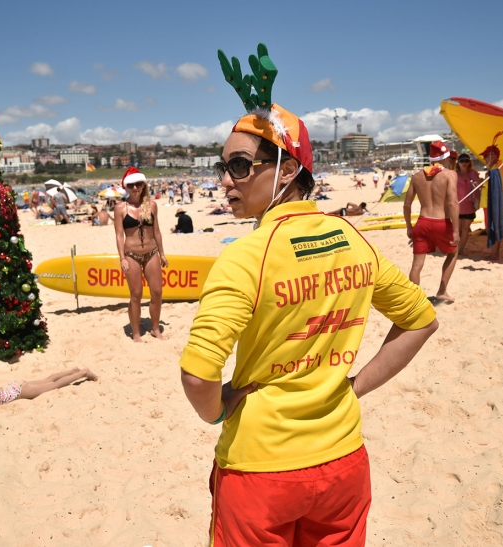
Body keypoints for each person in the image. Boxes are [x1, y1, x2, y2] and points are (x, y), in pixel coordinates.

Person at [180, 44, 438, 546]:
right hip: (342, 461)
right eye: (222, 166)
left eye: (239, 166)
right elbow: (421, 321)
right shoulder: (355, 241)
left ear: (288, 170)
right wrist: (352, 388)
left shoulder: (245, 256)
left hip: (260, 471)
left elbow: (197, 375)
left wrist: (217, 410)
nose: (225, 180)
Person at [114, 167, 168, 342]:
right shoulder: (121, 208)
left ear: (143, 185)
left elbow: (157, 231)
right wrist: (122, 258)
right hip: (132, 255)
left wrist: (162, 253)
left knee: (157, 292)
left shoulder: (151, 205)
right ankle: (136, 333)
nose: (135, 188)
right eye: (131, 185)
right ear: (126, 187)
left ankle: (155, 328)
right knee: (136, 294)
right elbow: (118, 235)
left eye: (138, 184)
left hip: (151, 253)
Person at [0, 364, 98, 422]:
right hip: (13, 386)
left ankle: (82, 373)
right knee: (47, 379)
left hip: (20, 391)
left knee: (53, 385)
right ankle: (72, 370)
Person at [404, 140, 460, 302]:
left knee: (417, 264)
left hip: (422, 222)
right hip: (441, 222)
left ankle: (413, 299)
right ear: (445, 158)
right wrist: (456, 230)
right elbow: (452, 202)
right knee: (453, 252)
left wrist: (409, 226)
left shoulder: (417, 176)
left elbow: (407, 204)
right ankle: (442, 290)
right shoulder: (450, 174)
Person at [479, 134, 503, 260]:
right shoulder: (495, 168)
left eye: (486, 156)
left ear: (493, 156)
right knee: (490, 228)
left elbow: (493, 186)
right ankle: (493, 252)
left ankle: (495, 254)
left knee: (494, 227)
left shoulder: (498, 169)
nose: (485, 159)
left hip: (493, 202)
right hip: (490, 202)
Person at [456, 153, 482, 255]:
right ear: (458, 163)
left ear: (469, 162)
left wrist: (477, 183)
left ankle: (460, 250)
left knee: (465, 229)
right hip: (458, 205)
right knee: (458, 230)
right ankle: (457, 249)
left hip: (469, 206)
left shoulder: (473, 173)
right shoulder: (455, 174)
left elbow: (479, 184)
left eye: (466, 161)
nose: (464, 163)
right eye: (462, 161)